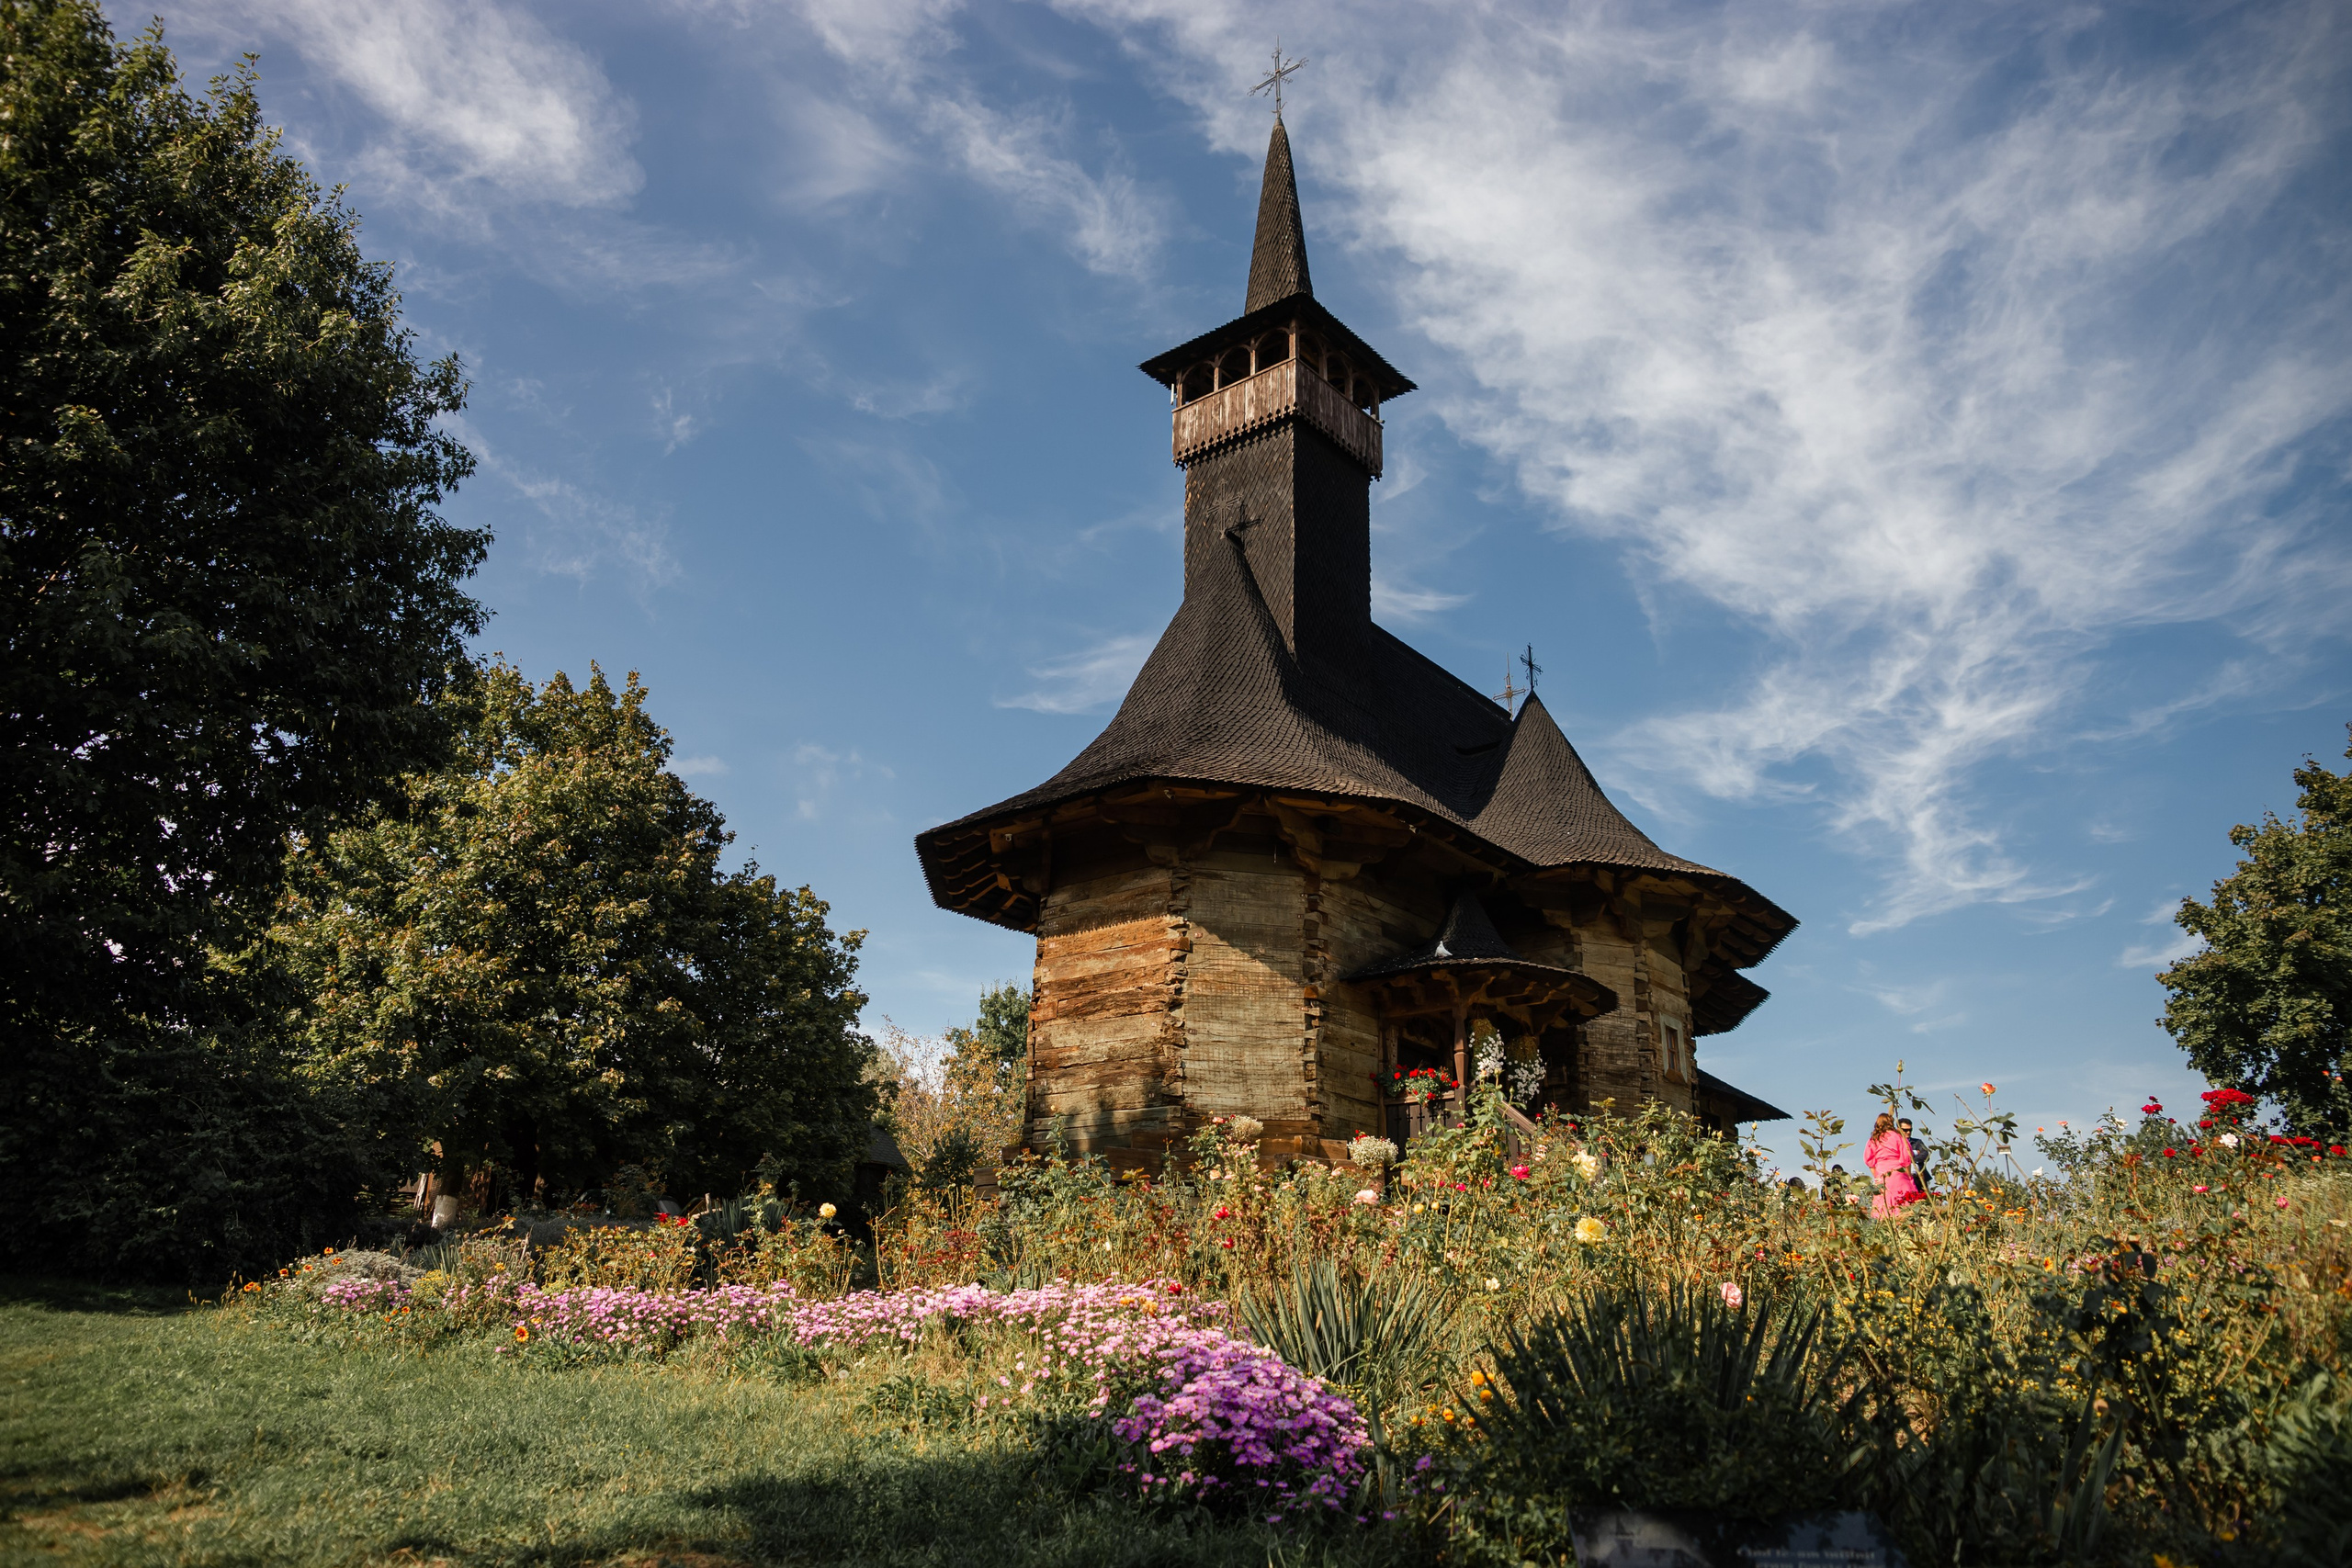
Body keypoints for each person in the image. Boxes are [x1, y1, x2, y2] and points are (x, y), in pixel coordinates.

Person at [1865, 1112, 1924, 1218]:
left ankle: (1885, 1224)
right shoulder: (1899, 1137)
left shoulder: (1873, 1139)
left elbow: (1869, 1161)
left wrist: (1877, 1176)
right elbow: (1906, 1158)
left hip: (1882, 1173)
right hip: (1899, 1172)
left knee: (1883, 1203)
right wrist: (1909, 1176)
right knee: (1904, 1203)